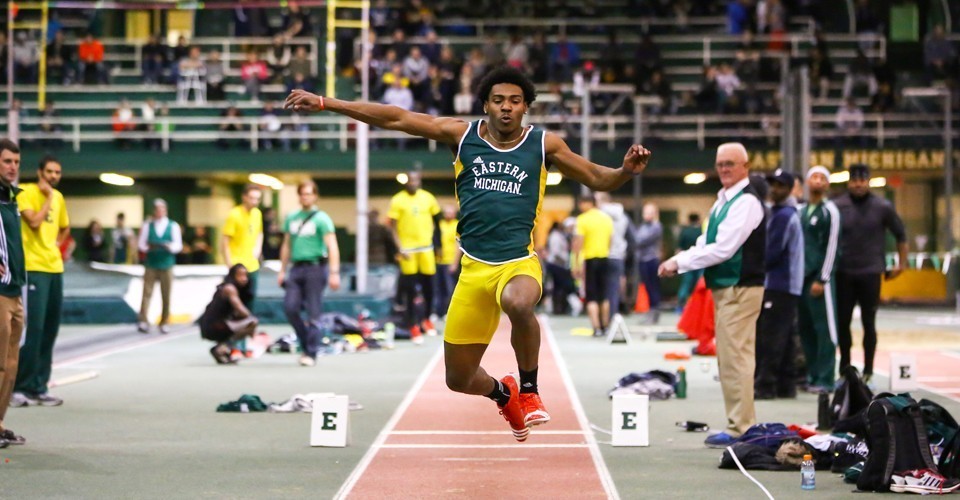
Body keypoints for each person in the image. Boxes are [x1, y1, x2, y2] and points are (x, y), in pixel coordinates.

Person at [284, 65, 650, 441]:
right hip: (473, 269)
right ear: (485, 106)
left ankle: (529, 391)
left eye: (515, 101)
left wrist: (625, 171)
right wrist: (328, 103)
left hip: (518, 263)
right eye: (498, 101)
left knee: (519, 303)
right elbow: (397, 117)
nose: (506, 108)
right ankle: (503, 393)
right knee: (458, 378)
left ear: (525, 108)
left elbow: (598, 177)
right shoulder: (462, 135)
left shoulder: (545, 145)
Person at [659, 142, 766, 447]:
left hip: (741, 287)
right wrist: (678, 261)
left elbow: (723, 249)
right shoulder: (722, 202)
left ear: (746, 166)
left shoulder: (746, 202)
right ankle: (739, 424)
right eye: (720, 164)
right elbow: (708, 242)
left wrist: (678, 262)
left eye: (731, 163)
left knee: (737, 359)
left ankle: (742, 428)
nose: (724, 169)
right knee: (729, 359)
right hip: (726, 287)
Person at [834, 163, 907, 383]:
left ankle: (868, 370)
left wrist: (901, 265)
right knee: (842, 323)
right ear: (849, 182)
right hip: (843, 272)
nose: (858, 184)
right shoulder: (836, 205)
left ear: (868, 181)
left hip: (870, 272)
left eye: (862, 180)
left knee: (869, 323)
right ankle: (845, 369)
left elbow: (901, 235)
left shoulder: (882, 206)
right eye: (854, 180)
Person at [11, 155, 69, 408]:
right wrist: (47, 198)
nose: (53, 176)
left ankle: (39, 387)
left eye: (57, 172)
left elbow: (64, 226)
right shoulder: (26, 193)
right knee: (33, 330)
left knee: (49, 329)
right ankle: (20, 387)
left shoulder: (60, 198)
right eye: (49, 172)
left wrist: (57, 245)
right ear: (39, 172)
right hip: (33, 269)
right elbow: (34, 222)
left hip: (55, 268)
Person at [277, 180, 340, 367]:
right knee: (290, 308)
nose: (306, 197)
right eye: (303, 194)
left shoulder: (322, 219)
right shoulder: (291, 217)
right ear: (299, 196)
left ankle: (311, 353)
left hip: (315, 268)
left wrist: (334, 272)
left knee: (314, 312)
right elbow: (287, 244)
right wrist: (282, 269)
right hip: (296, 269)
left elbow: (332, 246)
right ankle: (305, 342)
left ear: (315, 196)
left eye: (309, 194)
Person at [754, 169, 804, 400]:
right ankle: (786, 385)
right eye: (772, 184)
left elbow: (773, 252)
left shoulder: (783, 215)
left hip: (779, 283)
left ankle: (766, 385)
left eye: (780, 186)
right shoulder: (783, 212)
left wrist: (755, 265)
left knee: (771, 337)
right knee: (784, 337)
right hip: (787, 285)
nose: (774, 189)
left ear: (790, 188)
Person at [798, 166, 841, 393]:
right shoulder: (801, 210)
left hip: (819, 280)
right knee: (806, 329)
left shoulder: (830, 211)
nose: (817, 180)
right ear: (807, 182)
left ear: (827, 185)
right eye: (813, 176)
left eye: (822, 177)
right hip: (801, 279)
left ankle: (826, 378)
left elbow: (832, 247)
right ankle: (812, 375)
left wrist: (823, 279)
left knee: (825, 330)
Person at [388, 170, 440, 341]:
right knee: (409, 291)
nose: (413, 183)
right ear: (406, 182)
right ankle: (413, 325)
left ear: (420, 181)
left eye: (416, 180)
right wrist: (400, 248)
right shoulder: (398, 200)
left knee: (429, 288)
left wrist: (437, 245)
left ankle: (426, 319)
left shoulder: (428, 198)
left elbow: (436, 222)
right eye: (410, 180)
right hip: (408, 251)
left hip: (426, 249)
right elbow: (392, 227)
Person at [0, 139, 28, 446]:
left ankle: (0, 421)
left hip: (15, 289)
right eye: (7, 161)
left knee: (10, 364)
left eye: (16, 162)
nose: (13, 167)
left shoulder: (12, 197)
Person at [137, 199, 183, 334]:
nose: (159, 212)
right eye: (157, 209)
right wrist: (149, 247)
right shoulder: (147, 225)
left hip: (167, 263)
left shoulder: (173, 226)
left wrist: (169, 247)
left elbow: (178, 245)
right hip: (151, 263)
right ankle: (143, 320)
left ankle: (164, 321)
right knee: (146, 292)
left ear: (166, 210)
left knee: (166, 293)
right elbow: (141, 244)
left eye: (162, 209)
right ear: (154, 211)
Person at [200, 264, 259, 364]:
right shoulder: (230, 288)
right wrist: (254, 332)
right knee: (252, 322)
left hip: (217, 324)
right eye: (240, 275)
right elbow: (243, 312)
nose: (244, 279)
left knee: (240, 322)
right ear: (232, 276)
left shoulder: (234, 288)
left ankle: (222, 352)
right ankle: (223, 347)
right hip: (213, 326)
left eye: (245, 275)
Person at [572, 194, 614, 337]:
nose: (580, 207)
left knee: (592, 297)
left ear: (587, 203)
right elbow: (610, 240)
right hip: (605, 258)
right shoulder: (606, 218)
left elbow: (578, 243)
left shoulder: (582, 220)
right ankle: (605, 326)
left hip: (590, 260)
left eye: (581, 204)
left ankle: (596, 328)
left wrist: (576, 264)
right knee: (604, 296)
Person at [221, 184, 263, 306]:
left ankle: (248, 324)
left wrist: (258, 249)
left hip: (252, 265)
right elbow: (225, 241)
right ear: (244, 197)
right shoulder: (234, 214)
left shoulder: (257, 214)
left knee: (250, 299)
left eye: (257, 199)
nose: (254, 202)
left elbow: (259, 232)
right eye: (251, 198)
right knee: (235, 301)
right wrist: (230, 265)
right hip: (237, 265)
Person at [597, 192, 632, 318]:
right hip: (618, 255)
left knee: (602, 291)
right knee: (614, 290)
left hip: (603, 255)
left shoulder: (599, 215)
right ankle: (613, 318)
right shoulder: (623, 216)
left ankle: (605, 321)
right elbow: (631, 236)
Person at [634, 203, 663, 324]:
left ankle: (654, 312)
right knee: (647, 287)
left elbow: (639, 240)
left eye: (649, 212)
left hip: (652, 260)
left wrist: (634, 239)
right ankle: (650, 311)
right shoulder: (643, 226)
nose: (647, 215)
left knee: (653, 287)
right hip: (642, 260)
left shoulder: (656, 226)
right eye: (645, 212)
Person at [435, 205, 460, 318]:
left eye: (451, 212)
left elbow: (458, 245)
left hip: (450, 262)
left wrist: (455, 263)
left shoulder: (457, 225)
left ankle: (448, 312)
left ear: (454, 213)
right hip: (439, 261)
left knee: (450, 288)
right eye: (446, 212)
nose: (448, 214)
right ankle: (438, 312)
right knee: (438, 288)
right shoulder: (440, 225)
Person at [675, 213, 703, 312]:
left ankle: (680, 306)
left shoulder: (685, 231)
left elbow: (679, 248)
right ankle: (698, 306)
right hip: (700, 261)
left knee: (686, 284)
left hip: (687, 261)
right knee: (699, 284)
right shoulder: (701, 231)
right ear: (698, 219)